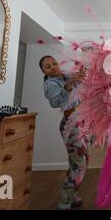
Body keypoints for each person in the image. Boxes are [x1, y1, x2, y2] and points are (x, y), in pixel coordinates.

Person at [39, 55, 91, 210]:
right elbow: (56, 103)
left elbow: (82, 93)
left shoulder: (67, 75)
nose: (53, 66)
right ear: (43, 71)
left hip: (83, 122)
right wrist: (68, 85)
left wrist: (82, 77)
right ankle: (64, 203)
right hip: (71, 125)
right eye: (48, 66)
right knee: (78, 164)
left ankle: (72, 196)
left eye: (54, 63)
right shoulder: (50, 84)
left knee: (81, 161)